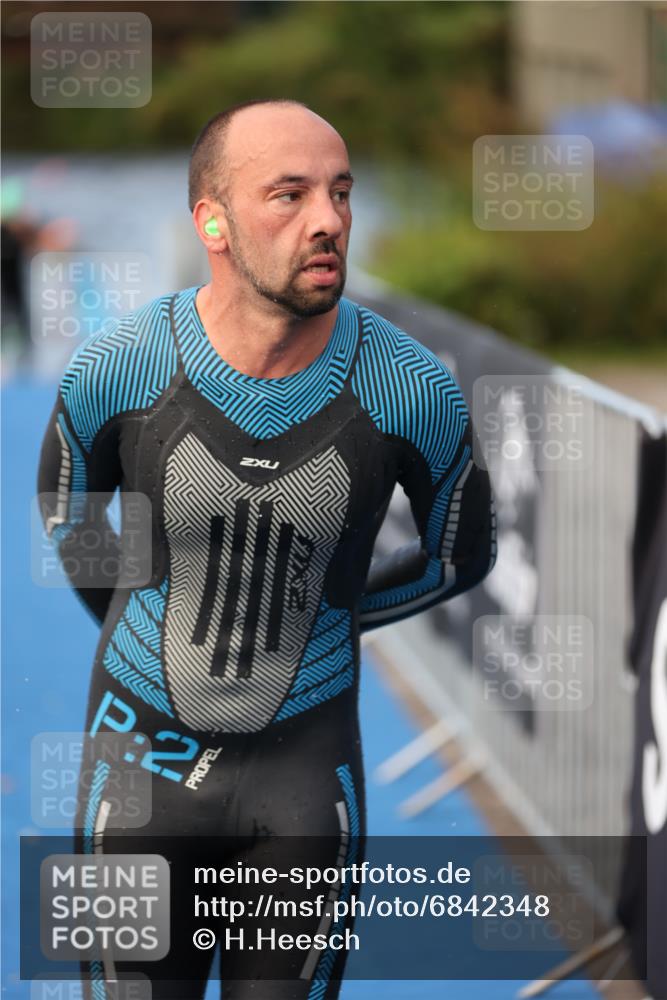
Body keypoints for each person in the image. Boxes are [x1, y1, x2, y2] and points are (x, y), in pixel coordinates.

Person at [37, 99, 496, 999]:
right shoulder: (119, 365)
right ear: (211, 221)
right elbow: (65, 510)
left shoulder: (411, 391)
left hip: (302, 784)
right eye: (287, 194)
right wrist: (135, 619)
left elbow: (458, 559)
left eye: (340, 191)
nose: (327, 219)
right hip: (135, 775)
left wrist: (323, 621)